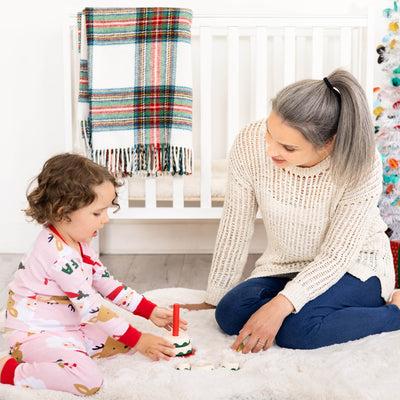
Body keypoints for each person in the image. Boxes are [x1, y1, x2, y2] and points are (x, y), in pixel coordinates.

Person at [183, 68, 400, 353]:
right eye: (269, 134)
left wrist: (281, 306)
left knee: (298, 331)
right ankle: (308, 307)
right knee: (229, 314)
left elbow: (337, 255)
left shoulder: (360, 162)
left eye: (287, 147)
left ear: (328, 143)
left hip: (354, 266)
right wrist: (214, 297)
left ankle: (394, 312)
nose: (271, 150)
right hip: (287, 265)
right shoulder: (250, 143)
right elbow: (235, 225)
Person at [0, 153, 187, 396]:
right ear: (62, 212)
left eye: (106, 211)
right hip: (35, 333)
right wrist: (139, 339)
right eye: (97, 213)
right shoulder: (57, 254)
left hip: (71, 326)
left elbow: (107, 283)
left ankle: (73, 349)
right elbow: (93, 308)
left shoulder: (79, 242)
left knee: (124, 344)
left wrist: (149, 310)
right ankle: (9, 370)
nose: (106, 219)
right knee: (88, 379)